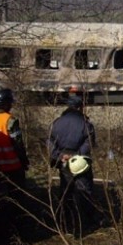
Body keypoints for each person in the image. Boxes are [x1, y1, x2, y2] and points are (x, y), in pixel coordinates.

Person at [48, 95, 98, 227]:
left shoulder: (56, 123)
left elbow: (50, 142)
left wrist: (59, 156)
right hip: (80, 162)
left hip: (63, 161)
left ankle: (63, 220)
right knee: (85, 190)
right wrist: (76, 155)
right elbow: (89, 143)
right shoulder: (86, 124)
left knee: (65, 190)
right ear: (80, 107)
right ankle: (88, 221)